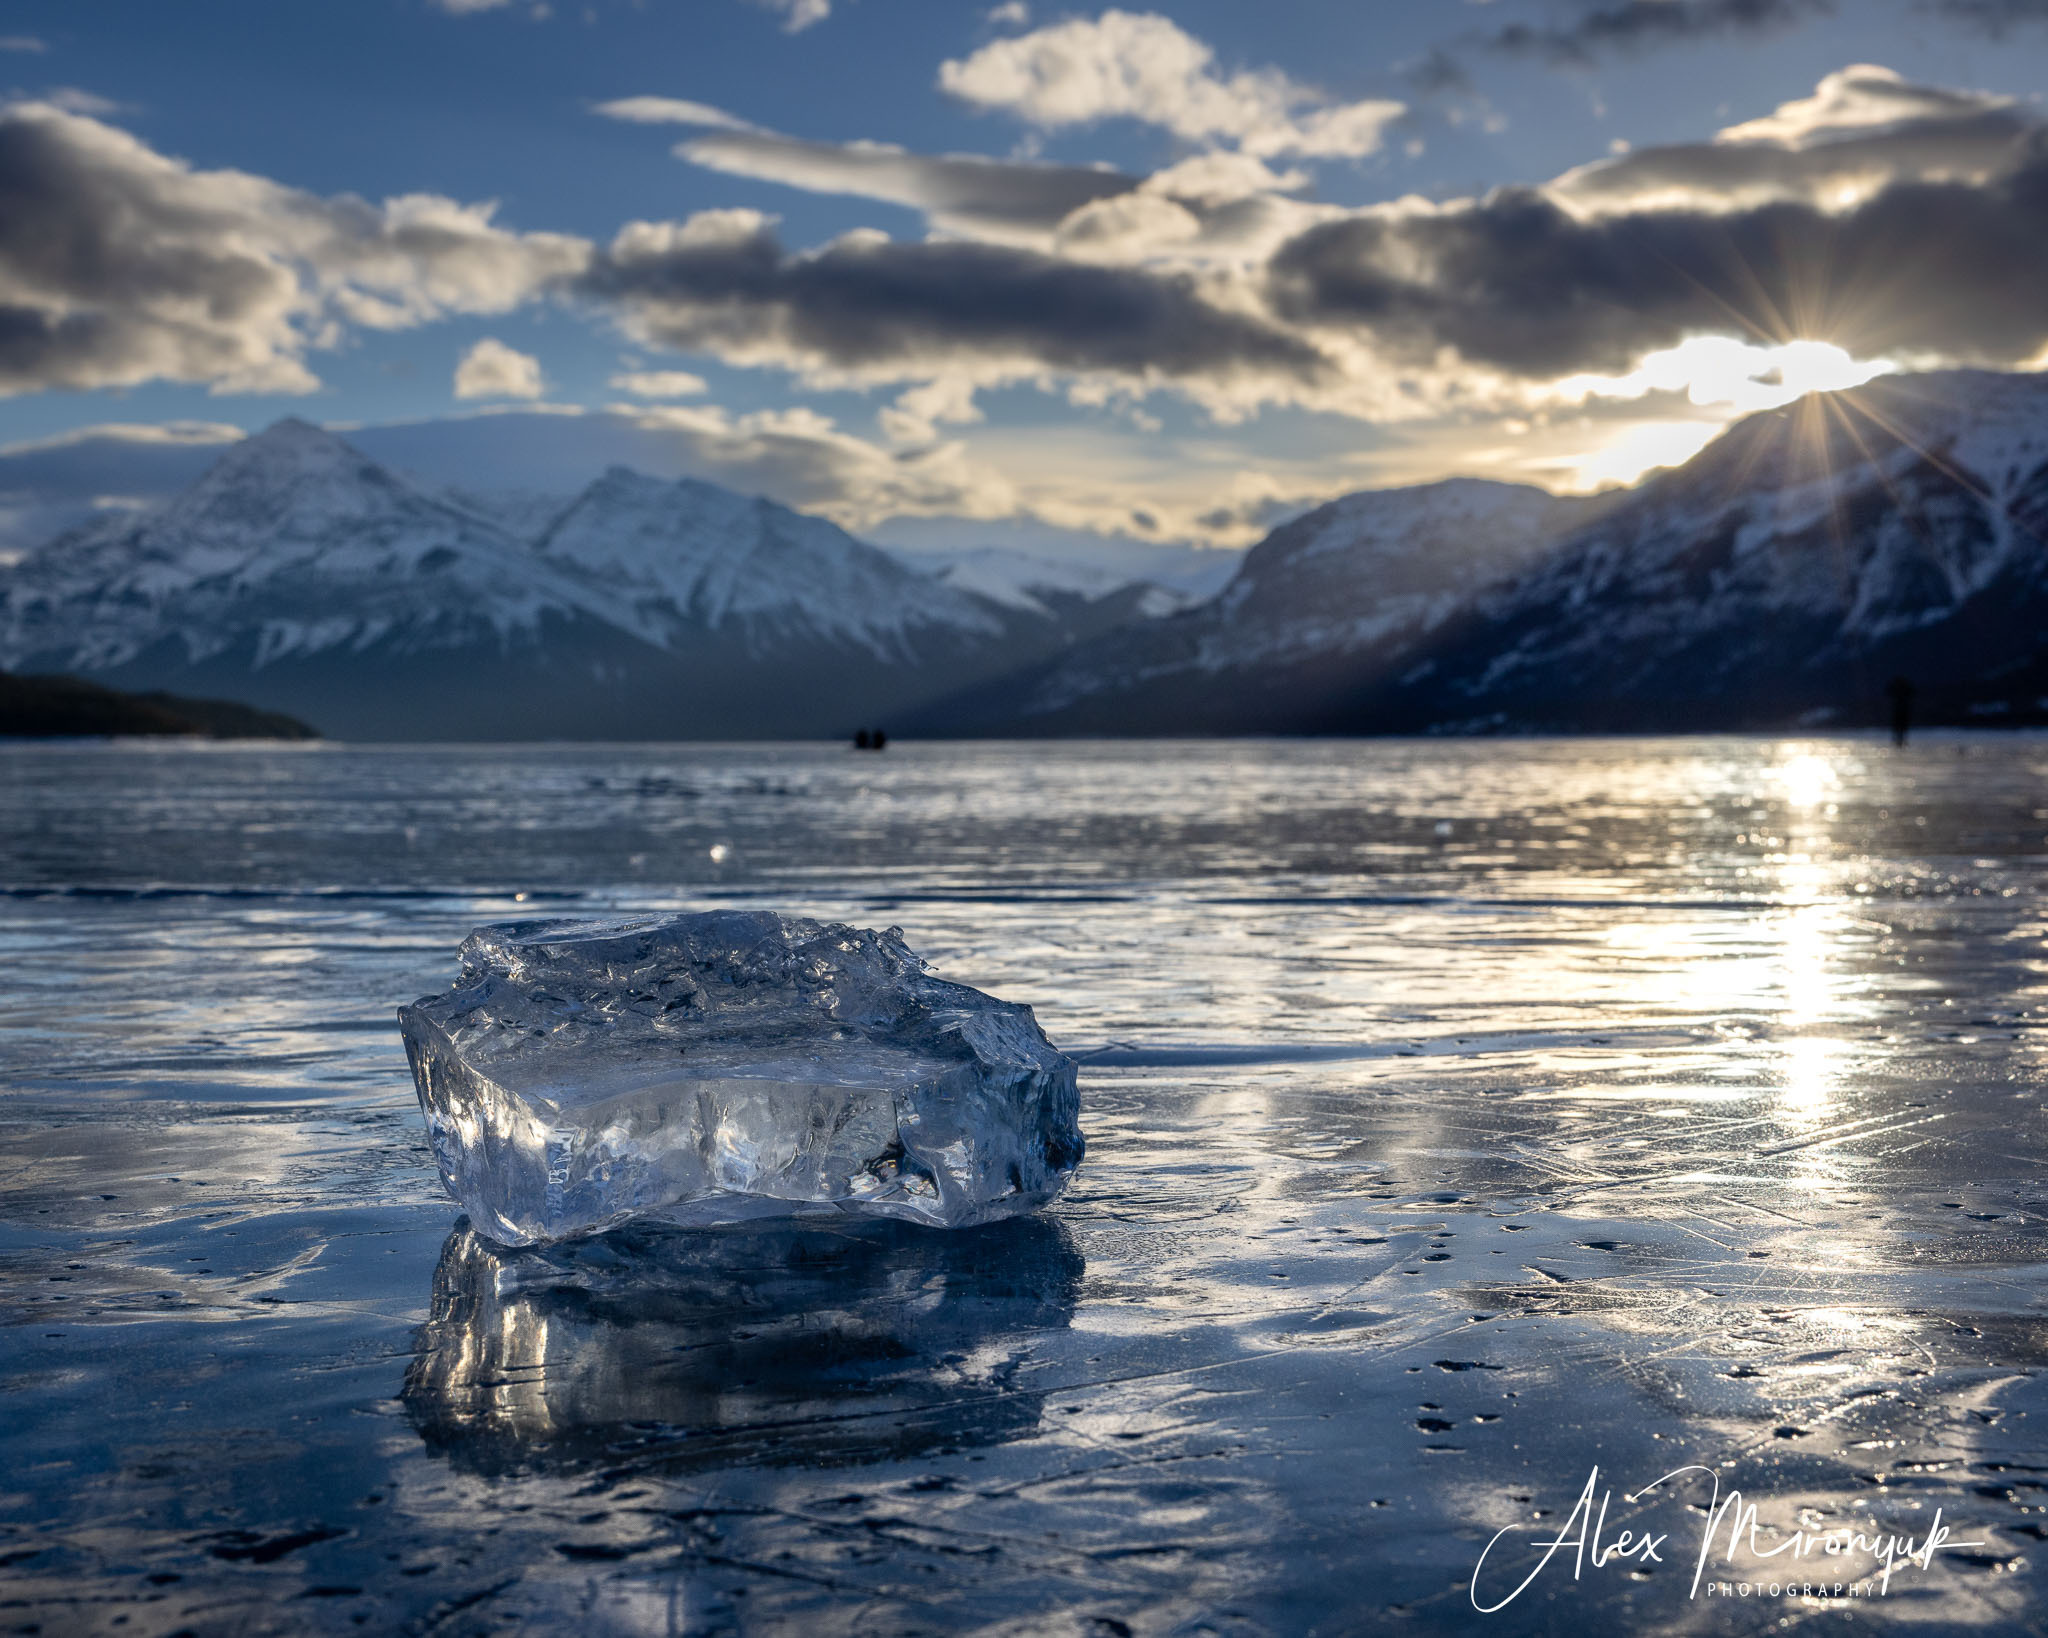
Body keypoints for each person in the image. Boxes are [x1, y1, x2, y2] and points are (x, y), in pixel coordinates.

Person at [1887, 676, 1913, 748]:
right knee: (1899, 726)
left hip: (1902, 710)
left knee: (1901, 726)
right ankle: (1898, 740)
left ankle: (1901, 740)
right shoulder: (1900, 689)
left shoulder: (1902, 689)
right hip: (1900, 710)